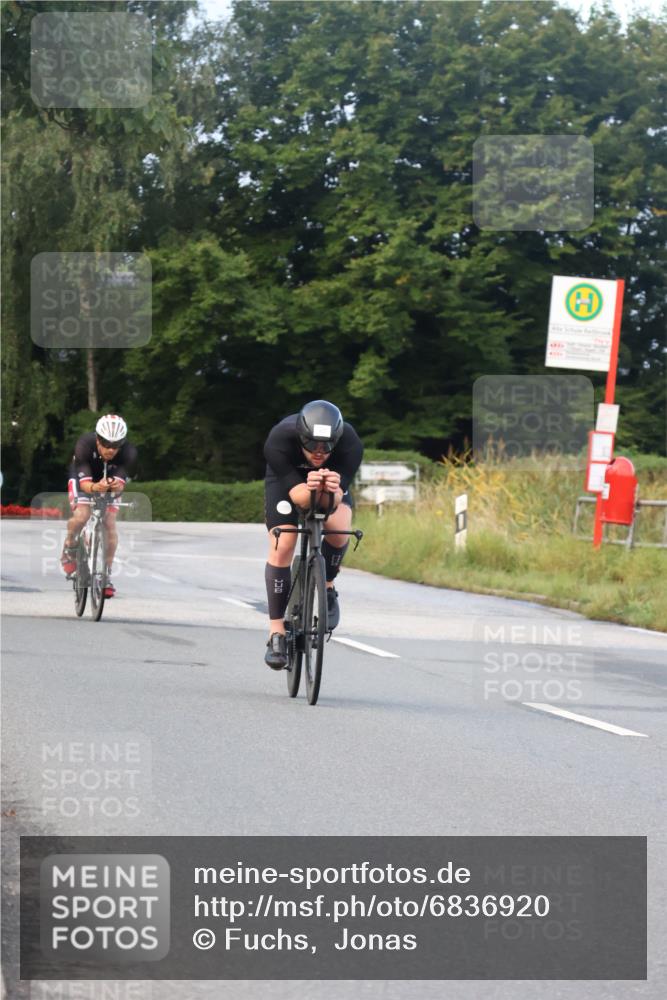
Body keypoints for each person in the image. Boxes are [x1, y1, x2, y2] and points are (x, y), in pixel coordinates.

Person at [263, 400, 363, 669]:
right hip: (289, 481)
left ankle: (328, 586)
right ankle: (276, 632)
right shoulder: (280, 439)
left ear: (337, 440)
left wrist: (328, 489)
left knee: (339, 530)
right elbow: (299, 498)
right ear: (301, 437)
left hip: (329, 483)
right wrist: (309, 488)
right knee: (284, 542)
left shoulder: (350, 444)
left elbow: (334, 500)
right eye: (311, 445)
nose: (319, 453)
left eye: (327, 446)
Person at [60, 414, 137, 598]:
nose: (110, 449)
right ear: (97, 439)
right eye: (106, 444)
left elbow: (119, 485)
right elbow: (85, 484)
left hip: (109, 481)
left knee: (109, 523)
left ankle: (105, 574)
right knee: (82, 515)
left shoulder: (129, 453)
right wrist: (96, 487)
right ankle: (69, 545)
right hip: (83, 478)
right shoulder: (84, 445)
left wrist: (112, 487)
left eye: (116, 445)